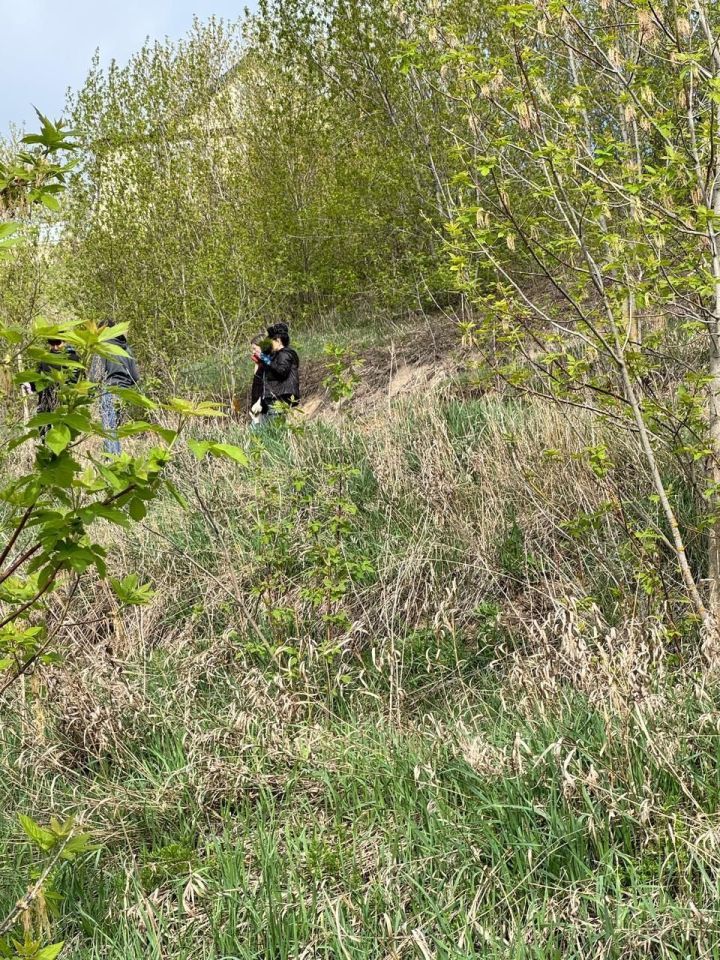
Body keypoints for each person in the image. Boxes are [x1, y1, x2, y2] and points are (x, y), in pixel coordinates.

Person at [90, 322, 140, 455]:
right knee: (116, 429)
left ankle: (112, 460)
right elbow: (135, 376)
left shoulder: (103, 347)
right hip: (125, 392)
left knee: (109, 429)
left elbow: (95, 376)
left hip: (109, 390)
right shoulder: (126, 349)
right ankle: (116, 459)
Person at [23, 338, 81, 439]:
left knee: (63, 437)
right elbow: (39, 376)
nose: (55, 347)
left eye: (58, 343)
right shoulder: (45, 358)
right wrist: (29, 383)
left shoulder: (73, 359)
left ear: (65, 342)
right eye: (51, 343)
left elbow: (75, 382)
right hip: (46, 403)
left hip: (64, 405)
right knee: (44, 435)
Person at [249, 322, 300, 429]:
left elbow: (281, 371)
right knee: (263, 430)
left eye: (271, 341)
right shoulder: (277, 355)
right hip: (272, 398)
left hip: (278, 397)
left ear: (278, 341)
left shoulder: (285, 354)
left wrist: (265, 358)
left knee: (275, 430)